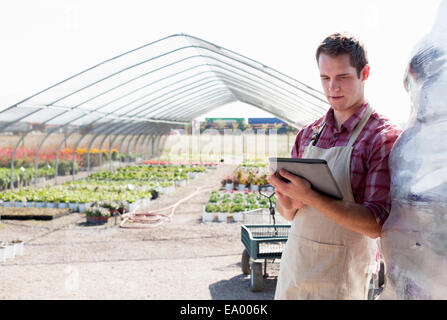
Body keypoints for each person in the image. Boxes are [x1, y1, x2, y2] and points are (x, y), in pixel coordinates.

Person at [268, 32, 402, 300]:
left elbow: (375, 224)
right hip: (296, 271)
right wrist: (288, 202)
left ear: (364, 73)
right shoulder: (309, 133)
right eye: (325, 78)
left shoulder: (381, 137)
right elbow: (289, 215)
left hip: (341, 278)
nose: (333, 88)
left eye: (342, 77)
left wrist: (311, 196)